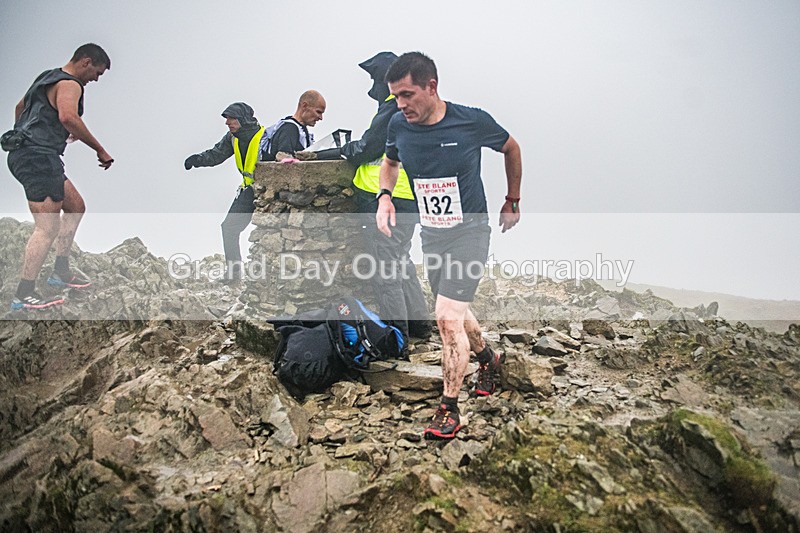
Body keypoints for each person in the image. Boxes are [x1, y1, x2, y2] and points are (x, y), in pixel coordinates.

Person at [377, 52, 522, 439]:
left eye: (407, 94)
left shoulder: (470, 120)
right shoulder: (398, 125)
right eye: (395, 97)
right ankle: (490, 360)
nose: (401, 104)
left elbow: (511, 147)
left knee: (444, 315)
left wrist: (513, 199)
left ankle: (449, 408)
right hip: (433, 233)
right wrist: (385, 197)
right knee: (453, 310)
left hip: (470, 232)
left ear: (431, 87)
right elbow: (389, 163)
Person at [307, 52, 432, 341]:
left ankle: (396, 337)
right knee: (401, 264)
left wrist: (330, 152)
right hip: (409, 199)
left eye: (374, 79)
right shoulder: (414, 109)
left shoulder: (392, 110)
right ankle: (419, 326)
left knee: (386, 272)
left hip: (386, 201)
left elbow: (366, 148)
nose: (370, 88)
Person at [5, 43, 113, 311]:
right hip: (37, 158)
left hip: (34, 155)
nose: (96, 79)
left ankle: (60, 271)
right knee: (47, 227)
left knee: (76, 206)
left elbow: (21, 107)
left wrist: (31, 132)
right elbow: (68, 116)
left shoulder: (46, 77)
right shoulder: (71, 83)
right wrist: (100, 149)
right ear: (86, 62)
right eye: (97, 73)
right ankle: (24, 293)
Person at [184, 103, 265, 283]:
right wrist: (196, 160)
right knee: (229, 227)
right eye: (226, 119)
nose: (227, 123)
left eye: (231, 118)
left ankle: (266, 275)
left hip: (267, 191)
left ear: (243, 119)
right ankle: (234, 275)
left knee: (270, 232)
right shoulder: (232, 137)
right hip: (248, 190)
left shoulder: (264, 136)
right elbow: (216, 155)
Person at [262, 90, 325, 161]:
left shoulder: (300, 130)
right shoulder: (290, 129)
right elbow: (283, 159)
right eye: (318, 112)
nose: (321, 118)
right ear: (304, 106)